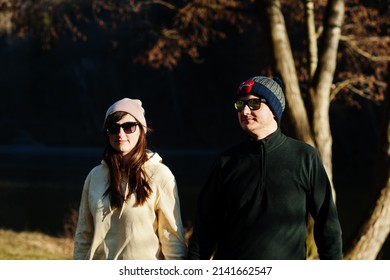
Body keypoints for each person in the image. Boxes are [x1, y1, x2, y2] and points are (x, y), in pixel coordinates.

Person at [188, 76, 342, 260]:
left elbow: (328, 226)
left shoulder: (304, 157)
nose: (245, 111)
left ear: (274, 109)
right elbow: (205, 229)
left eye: (254, 103)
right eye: (240, 104)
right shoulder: (226, 162)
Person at [73, 98, 187, 260]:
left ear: (142, 130)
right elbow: (83, 235)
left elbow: (172, 238)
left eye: (128, 127)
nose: (120, 134)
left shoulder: (160, 175)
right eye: (113, 128)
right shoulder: (95, 176)